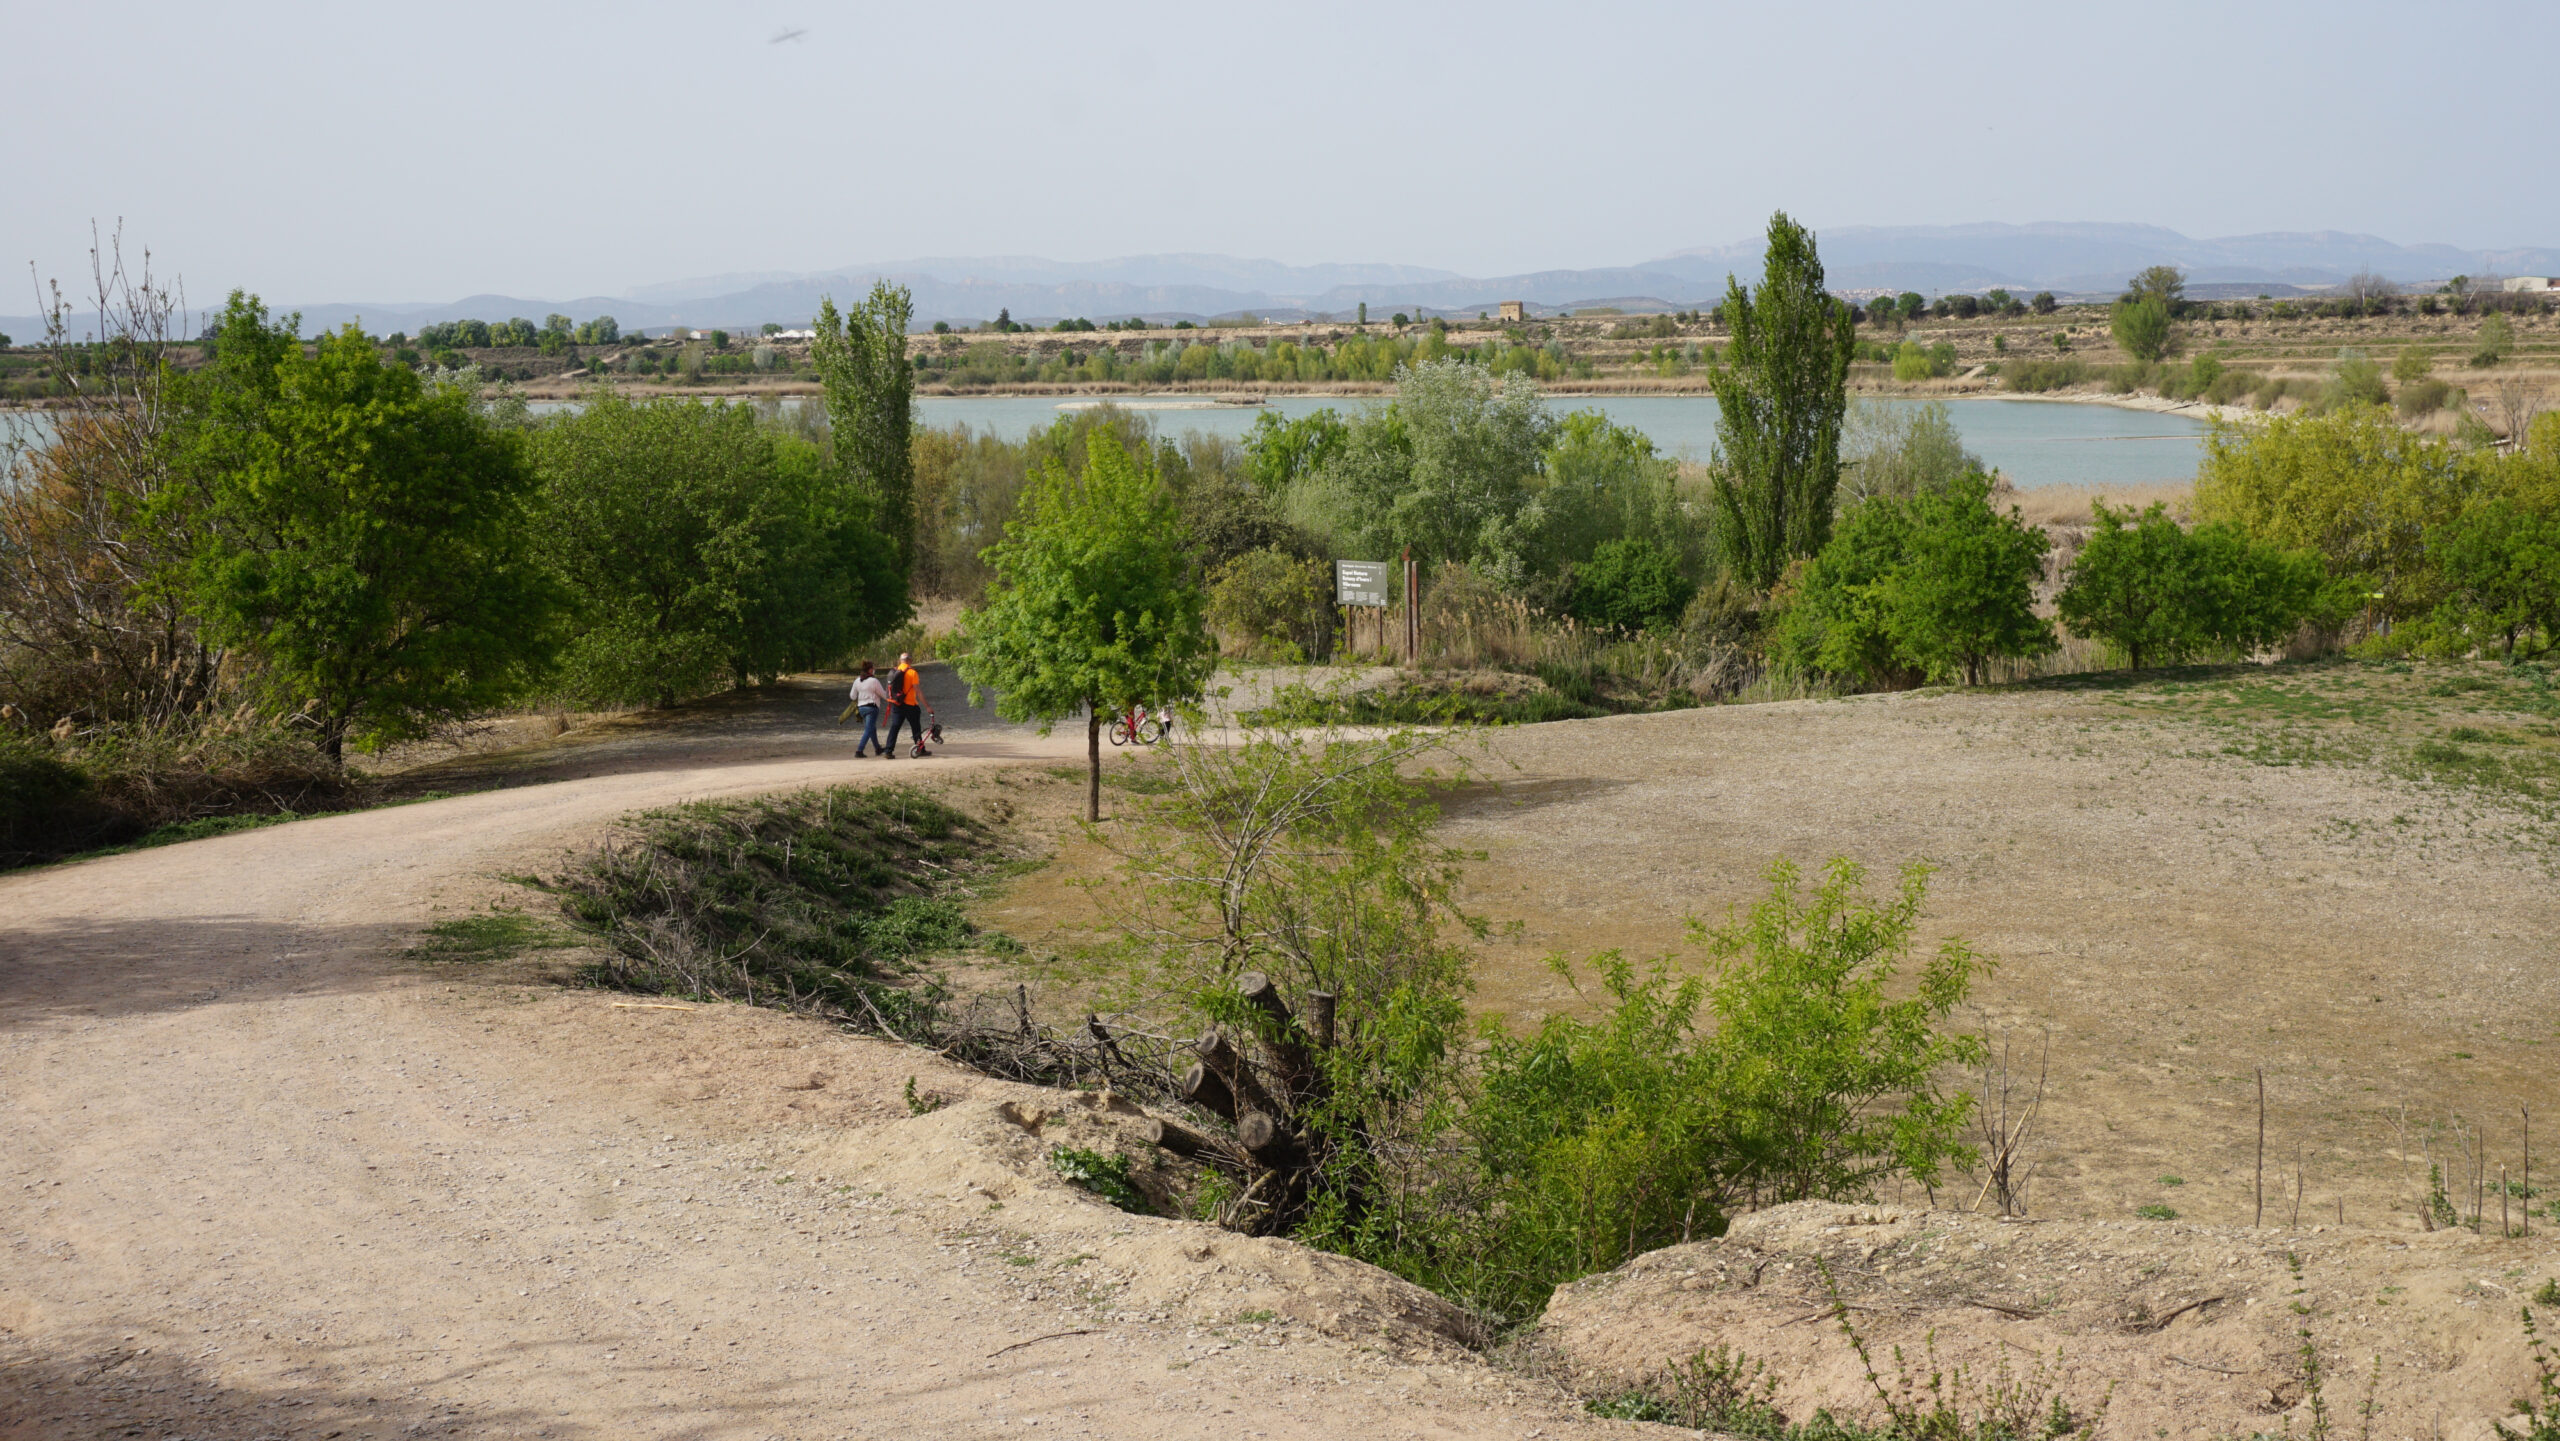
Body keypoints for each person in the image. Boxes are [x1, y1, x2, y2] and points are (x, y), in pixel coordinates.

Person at [882, 652, 936, 758]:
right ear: (910, 660)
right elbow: (918, 691)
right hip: (910, 704)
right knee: (915, 727)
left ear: (900, 661)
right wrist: (927, 706)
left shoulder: (894, 671)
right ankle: (920, 749)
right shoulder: (912, 672)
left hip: (897, 704)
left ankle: (888, 750)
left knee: (895, 727)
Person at [846, 661, 890, 757]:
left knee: (871, 728)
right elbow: (884, 694)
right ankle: (859, 750)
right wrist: (892, 697)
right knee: (869, 729)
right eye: (873, 668)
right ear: (870, 670)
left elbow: (852, 696)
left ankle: (877, 748)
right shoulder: (874, 681)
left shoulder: (857, 680)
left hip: (861, 708)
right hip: (872, 708)